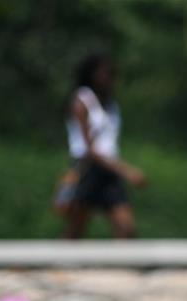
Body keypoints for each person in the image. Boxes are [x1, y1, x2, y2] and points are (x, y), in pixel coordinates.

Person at [62, 53, 146, 239]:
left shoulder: (110, 103)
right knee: (76, 229)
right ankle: (55, 264)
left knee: (126, 228)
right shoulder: (82, 101)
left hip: (108, 171)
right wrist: (126, 170)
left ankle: (124, 266)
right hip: (87, 169)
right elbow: (88, 148)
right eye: (106, 74)